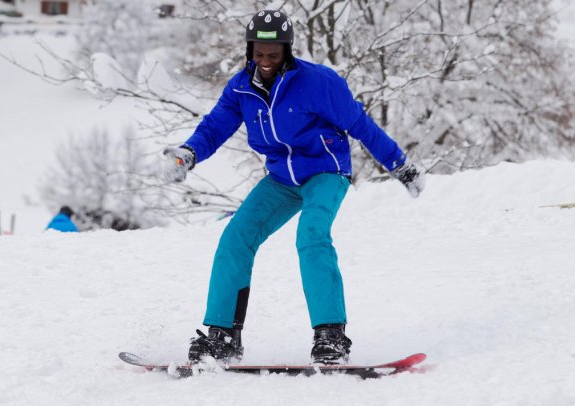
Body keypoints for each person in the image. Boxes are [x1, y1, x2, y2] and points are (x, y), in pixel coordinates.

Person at [161, 9, 425, 364]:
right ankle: (223, 336)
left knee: (312, 236)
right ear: (249, 51)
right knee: (236, 237)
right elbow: (214, 127)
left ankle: (331, 336)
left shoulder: (319, 82)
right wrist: (188, 154)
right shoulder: (241, 87)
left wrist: (400, 165)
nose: (265, 62)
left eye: (273, 55)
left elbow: (360, 125)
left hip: (326, 171)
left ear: (287, 50)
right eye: (258, 54)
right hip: (281, 179)